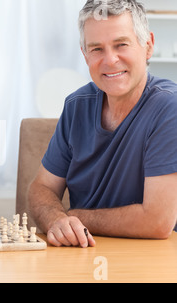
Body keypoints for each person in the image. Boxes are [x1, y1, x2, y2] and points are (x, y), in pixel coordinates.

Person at [28, 0, 177, 248]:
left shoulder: (168, 108)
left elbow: (157, 221)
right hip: (82, 253)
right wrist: (55, 218)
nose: (110, 60)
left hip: (151, 259)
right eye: (96, 49)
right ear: (84, 54)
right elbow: (41, 187)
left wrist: (75, 217)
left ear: (148, 45)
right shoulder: (76, 106)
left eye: (121, 45)